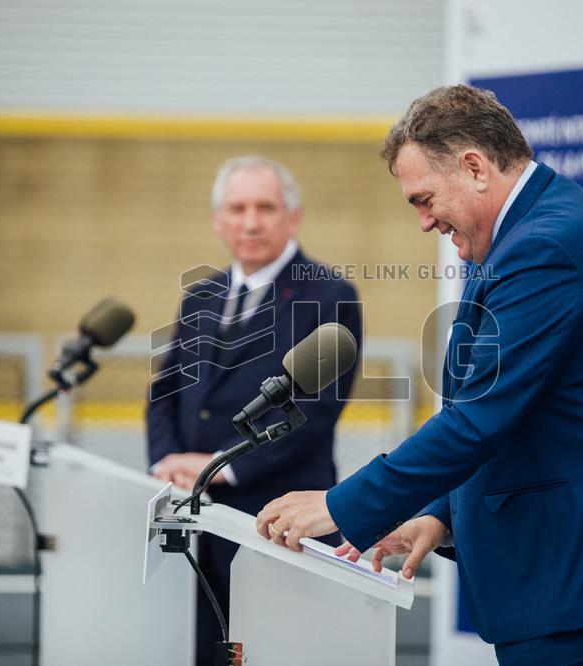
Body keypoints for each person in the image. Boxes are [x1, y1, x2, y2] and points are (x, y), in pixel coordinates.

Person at [255, 86, 583, 665]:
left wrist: (341, 505)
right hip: (574, 585)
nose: (424, 221)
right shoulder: (519, 237)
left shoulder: (546, 246)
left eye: (423, 199)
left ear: (474, 168)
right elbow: (522, 414)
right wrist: (437, 514)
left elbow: (479, 418)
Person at [147, 155, 360, 666]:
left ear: (293, 216)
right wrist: (167, 462)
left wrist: (219, 462)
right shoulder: (200, 296)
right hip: (195, 517)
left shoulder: (330, 295)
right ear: (218, 220)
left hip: (278, 520)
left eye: (265, 207)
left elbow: (316, 409)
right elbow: (166, 389)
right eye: (237, 208)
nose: (250, 221)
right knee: (206, 652)